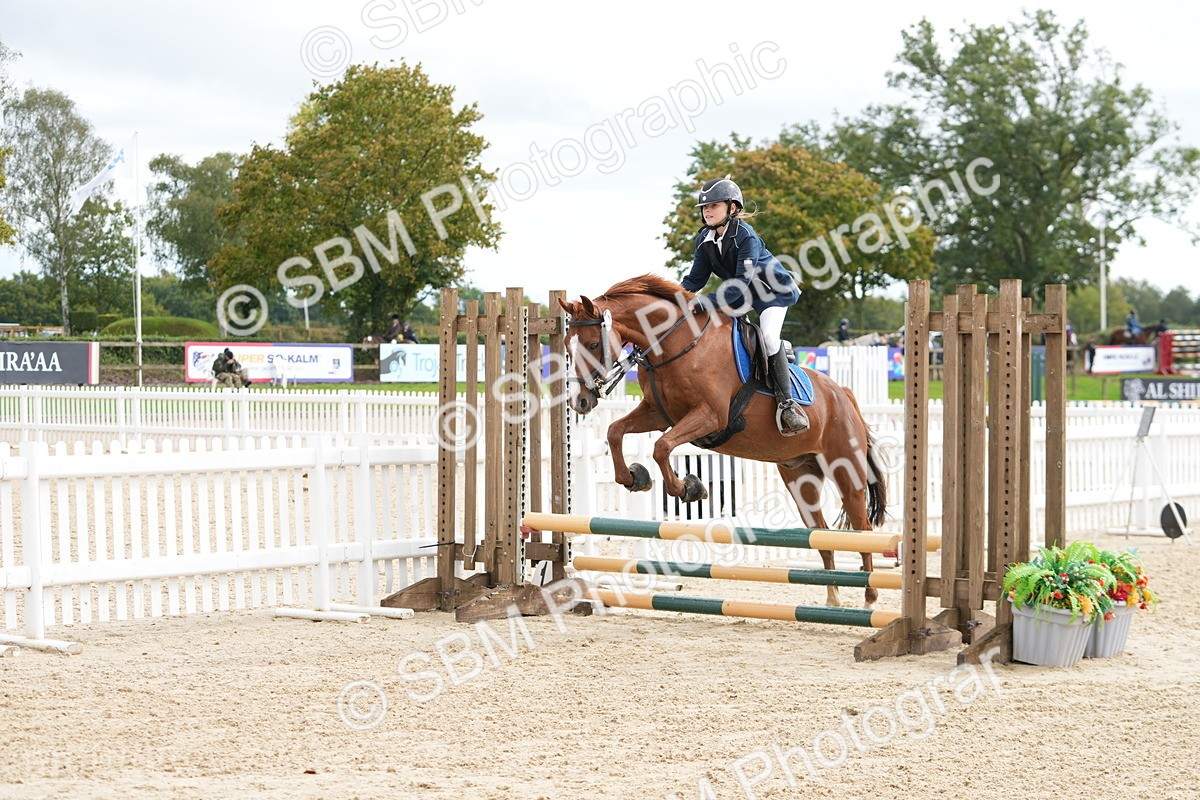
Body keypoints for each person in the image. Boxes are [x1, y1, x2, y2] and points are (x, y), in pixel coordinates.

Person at [682, 176, 807, 435]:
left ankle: (787, 405)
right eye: (705, 207)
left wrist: (705, 301)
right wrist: (673, 300)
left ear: (733, 208)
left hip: (773, 293)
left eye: (714, 205)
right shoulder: (704, 239)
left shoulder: (745, 236)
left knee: (770, 339)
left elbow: (739, 284)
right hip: (743, 295)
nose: (707, 210)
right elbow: (694, 280)